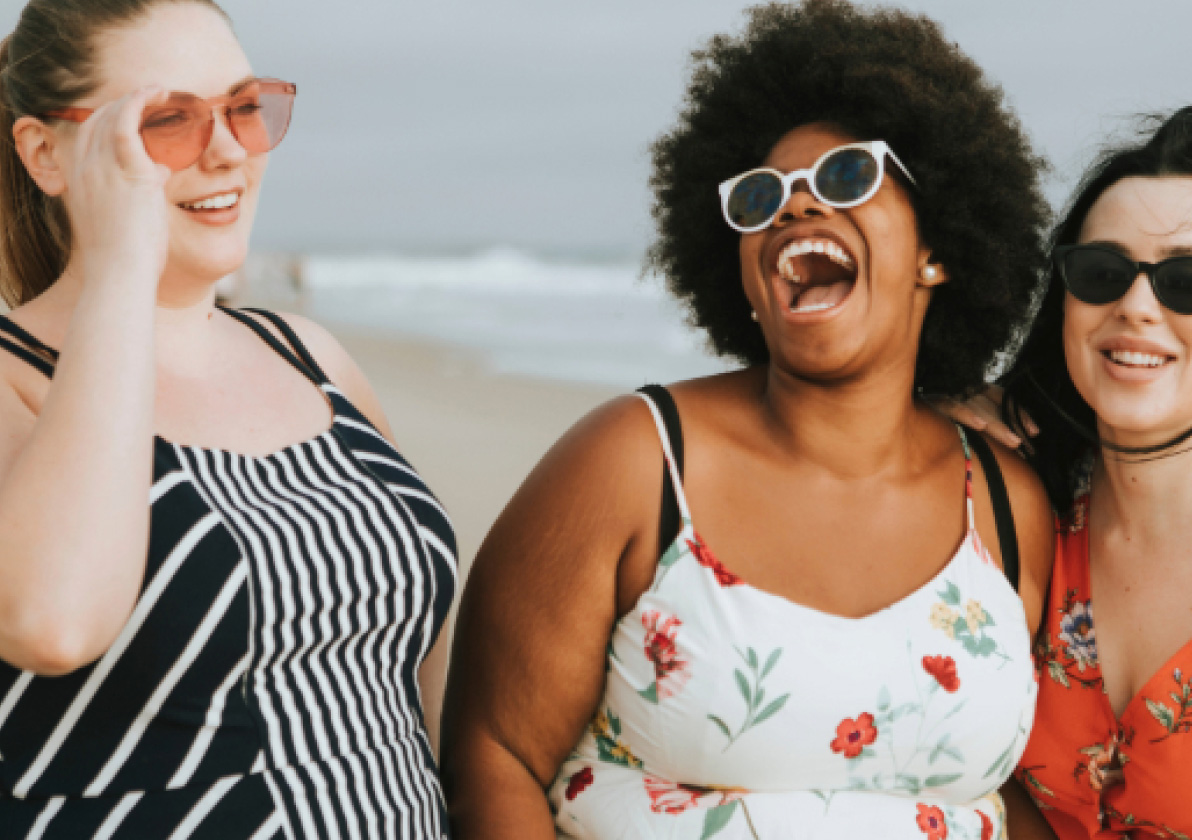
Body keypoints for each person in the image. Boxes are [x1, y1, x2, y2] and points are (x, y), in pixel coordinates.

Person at [440, 1, 1055, 837]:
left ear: (936, 250)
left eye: (845, 178)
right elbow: (493, 758)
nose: (792, 210)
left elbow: (1020, 791)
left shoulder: (1009, 507)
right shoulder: (634, 462)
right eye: (760, 196)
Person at [0, 1, 456, 837]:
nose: (226, 150)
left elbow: (416, 670)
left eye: (244, 108)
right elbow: (53, 622)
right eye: (167, 121)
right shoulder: (14, 377)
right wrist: (120, 265)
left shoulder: (312, 357)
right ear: (45, 154)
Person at [943, 108, 1192, 838]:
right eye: (1102, 273)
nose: (1136, 306)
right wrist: (922, 409)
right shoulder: (1009, 513)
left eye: (1185, 281)